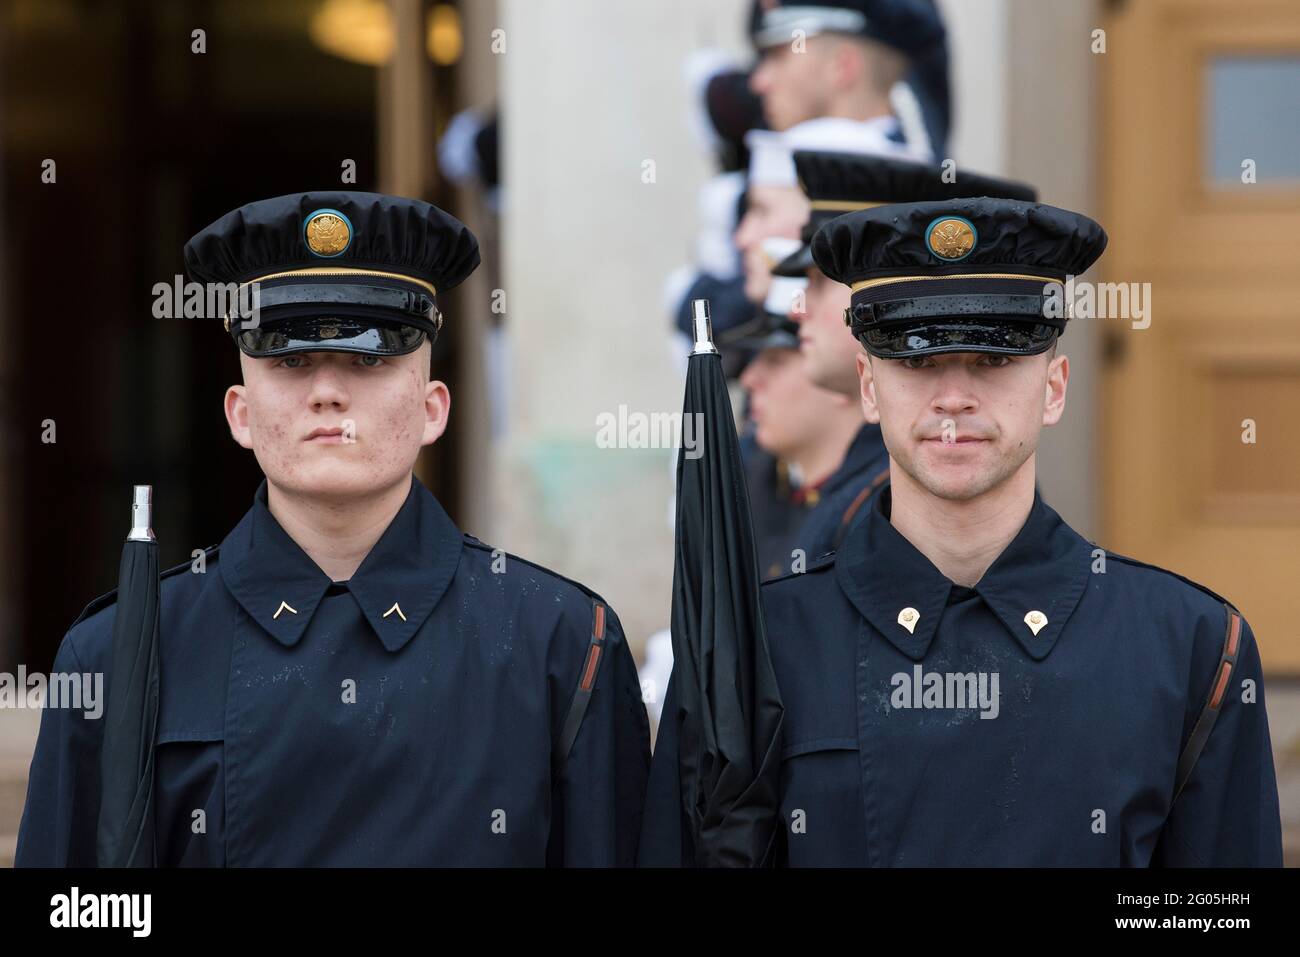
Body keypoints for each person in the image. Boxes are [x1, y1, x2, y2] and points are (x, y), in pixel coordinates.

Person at [640, 197, 1283, 865]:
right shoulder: (757, 648)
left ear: (1055, 387)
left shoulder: (1190, 647)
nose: (954, 397)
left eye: (994, 359)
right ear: (867, 385)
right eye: (916, 362)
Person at [17, 191, 651, 867]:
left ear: (433, 407)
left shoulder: (560, 641)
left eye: (369, 359)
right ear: (239, 413)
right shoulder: (121, 654)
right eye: (289, 361)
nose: (326, 391)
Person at [776, 150, 1038, 561]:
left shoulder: (909, 482)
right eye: (919, 361)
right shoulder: (864, 472)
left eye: (820, 282)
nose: (796, 309)